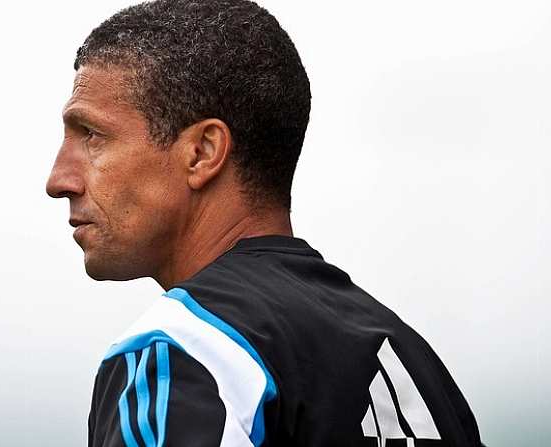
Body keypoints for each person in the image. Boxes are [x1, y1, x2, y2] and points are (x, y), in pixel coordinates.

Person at [46, 0, 483, 445]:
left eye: (92, 136)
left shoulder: (185, 347)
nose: (58, 180)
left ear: (202, 152)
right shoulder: (414, 366)